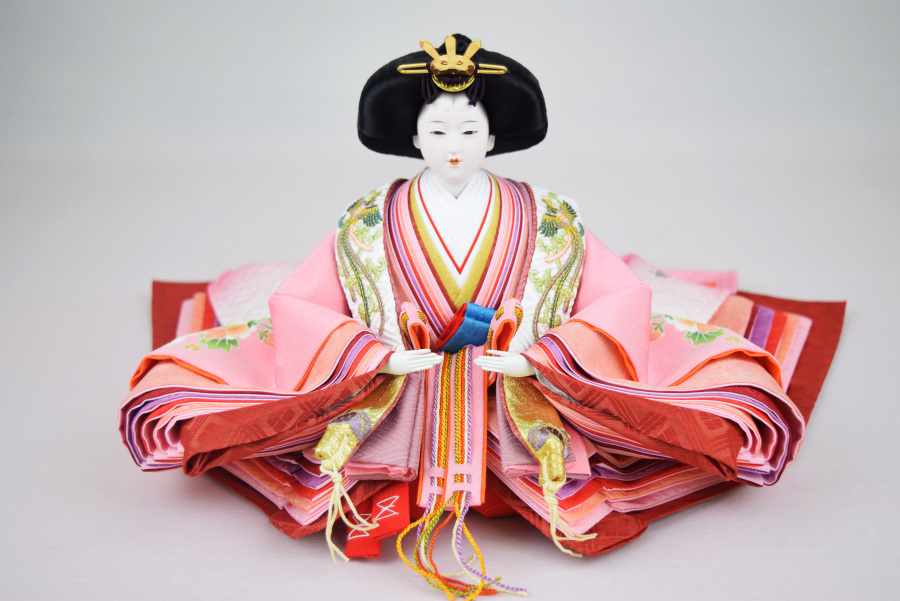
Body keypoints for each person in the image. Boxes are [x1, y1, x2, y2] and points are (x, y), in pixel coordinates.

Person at [119, 34, 844, 599]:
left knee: (698, 406)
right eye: (438, 132)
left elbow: (619, 298)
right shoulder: (367, 219)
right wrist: (372, 356)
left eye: (469, 132)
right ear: (414, 139)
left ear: (494, 137)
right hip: (397, 392)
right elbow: (302, 303)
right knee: (249, 401)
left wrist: (544, 356)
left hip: (520, 392)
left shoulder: (550, 215)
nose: (454, 147)